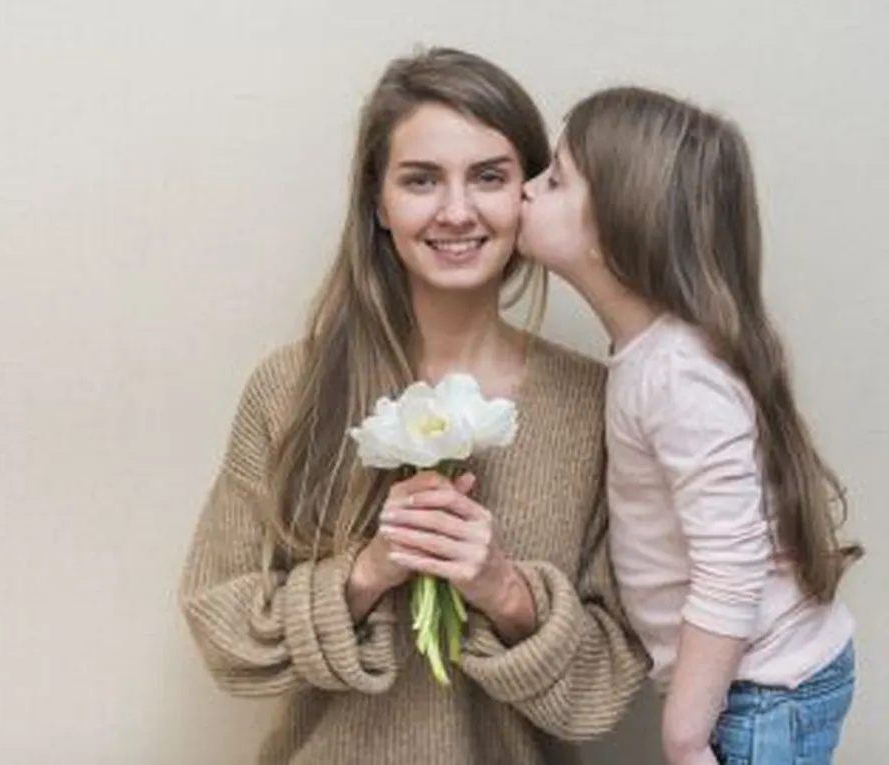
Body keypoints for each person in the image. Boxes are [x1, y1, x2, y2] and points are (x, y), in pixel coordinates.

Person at [177, 46, 648, 765]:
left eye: (488, 177)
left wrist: (504, 590)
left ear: (527, 194)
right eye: (421, 180)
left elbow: (607, 686)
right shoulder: (289, 388)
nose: (456, 212)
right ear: (378, 201)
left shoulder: (596, 406)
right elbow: (224, 628)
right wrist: (364, 575)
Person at [519, 86, 860, 765]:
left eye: (554, 179)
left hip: (761, 697)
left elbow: (731, 566)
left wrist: (683, 735)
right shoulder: (655, 358)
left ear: (618, 226)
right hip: (757, 687)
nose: (527, 188)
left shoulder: (677, 375)